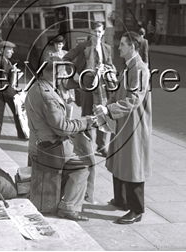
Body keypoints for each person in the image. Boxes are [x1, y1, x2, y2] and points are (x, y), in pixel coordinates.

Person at [25, 49, 97, 221]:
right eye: (64, 73)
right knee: (85, 164)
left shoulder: (37, 87)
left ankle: (63, 198)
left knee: (78, 153)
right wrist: (85, 122)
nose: (66, 77)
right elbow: (62, 128)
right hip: (50, 150)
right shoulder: (48, 96)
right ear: (56, 74)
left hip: (39, 145)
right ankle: (69, 207)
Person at [93, 31, 152, 224]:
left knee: (133, 165)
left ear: (133, 47)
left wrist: (109, 109)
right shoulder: (128, 67)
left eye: (123, 44)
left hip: (134, 124)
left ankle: (136, 210)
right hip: (123, 122)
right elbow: (117, 93)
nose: (119, 47)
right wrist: (105, 107)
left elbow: (135, 99)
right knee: (119, 160)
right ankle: (121, 200)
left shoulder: (140, 69)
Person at [63, 21, 117, 157]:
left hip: (102, 86)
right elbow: (66, 58)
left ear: (103, 32)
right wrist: (74, 74)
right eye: (95, 31)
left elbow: (111, 65)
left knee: (103, 114)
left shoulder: (107, 48)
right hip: (87, 83)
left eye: (100, 31)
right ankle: (87, 146)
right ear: (90, 32)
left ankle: (101, 146)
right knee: (88, 114)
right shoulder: (82, 46)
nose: (97, 34)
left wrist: (108, 69)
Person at [47, 35, 75, 103]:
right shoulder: (51, 54)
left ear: (63, 45)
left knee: (67, 98)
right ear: (54, 44)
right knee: (60, 97)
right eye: (56, 44)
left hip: (66, 77)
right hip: (56, 77)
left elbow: (71, 65)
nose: (58, 46)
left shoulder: (66, 53)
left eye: (60, 44)